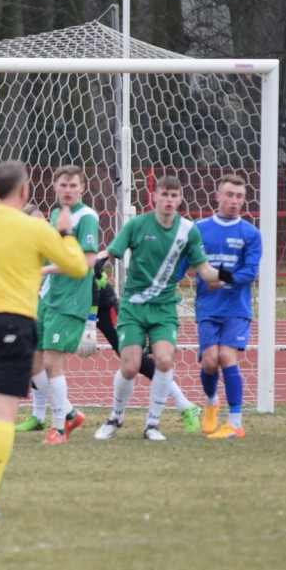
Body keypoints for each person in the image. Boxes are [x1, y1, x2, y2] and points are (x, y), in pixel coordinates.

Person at [0, 160, 88, 519]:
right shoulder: (37, 228)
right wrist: (65, 233)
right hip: (15, 323)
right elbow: (77, 267)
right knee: (3, 411)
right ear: (26, 192)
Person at [93, 176, 222, 442]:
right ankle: (115, 418)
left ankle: (152, 424)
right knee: (130, 367)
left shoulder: (188, 230)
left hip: (163, 307)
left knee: (164, 360)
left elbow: (204, 268)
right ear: (154, 197)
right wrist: (97, 261)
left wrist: (230, 277)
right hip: (133, 306)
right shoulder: (137, 225)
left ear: (180, 199)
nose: (169, 200)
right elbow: (112, 252)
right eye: (164, 194)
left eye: (174, 196)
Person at [19, 166, 100, 446]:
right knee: (33, 363)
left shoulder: (87, 217)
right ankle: (69, 412)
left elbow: (88, 262)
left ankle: (58, 429)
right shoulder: (55, 215)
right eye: (63, 185)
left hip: (71, 301)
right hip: (49, 298)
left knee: (53, 362)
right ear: (54, 187)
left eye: (73, 185)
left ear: (82, 188)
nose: (68, 190)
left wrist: (43, 271)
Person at [181, 174, 262, 439]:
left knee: (227, 356)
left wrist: (220, 277)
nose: (234, 201)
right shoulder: (199, 229)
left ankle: (236, 422)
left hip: (236, 308)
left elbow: (250, 271)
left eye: (239, 196)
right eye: (229, 195)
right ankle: (212, 400)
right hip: (207, 307)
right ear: (217, 196)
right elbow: (184, 263)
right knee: (210, 361)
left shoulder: (250, 233)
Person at [84, 265, 202, 431]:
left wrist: (89, 322)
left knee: (135, 360)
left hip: (104, 307)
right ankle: (52, 413)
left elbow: (95, 280)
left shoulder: (74, 246)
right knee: (48, 350)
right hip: (77, 308)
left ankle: (185, 406)